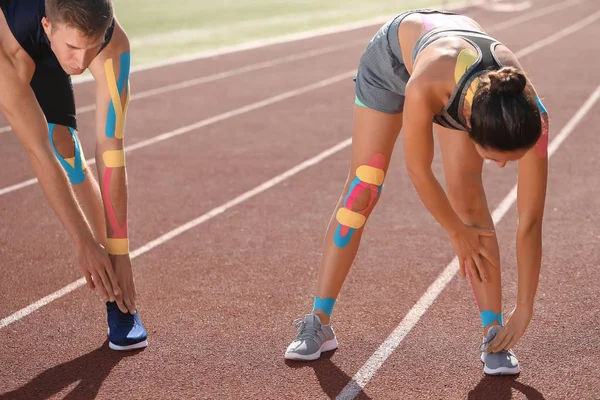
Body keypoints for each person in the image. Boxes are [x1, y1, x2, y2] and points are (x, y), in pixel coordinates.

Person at [285, 8, 549, 375]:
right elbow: (418, 169)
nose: (503, 166)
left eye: (509, 159)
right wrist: (457, 234)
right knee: (364, 187)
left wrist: (526, 307)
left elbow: (531, 221)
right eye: (495, 158)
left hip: (463, 80)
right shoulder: (427, 83)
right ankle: (318, 321)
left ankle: (494, 333)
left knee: (469, 197)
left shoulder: (532, 115)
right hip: (394, 60)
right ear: (469, 126)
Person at [0, 0, 147, 351]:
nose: (80, 63)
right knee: (47, 141)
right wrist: (83, 241)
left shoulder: (113, 45)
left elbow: (110, 150)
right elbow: (38, 153)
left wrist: (120, 252)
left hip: (48, 40)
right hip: (15, 49)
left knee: (67, 147)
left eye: (90, 48)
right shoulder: (8, 50)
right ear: (49, 26)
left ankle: (119, 302)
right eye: (73, 50)